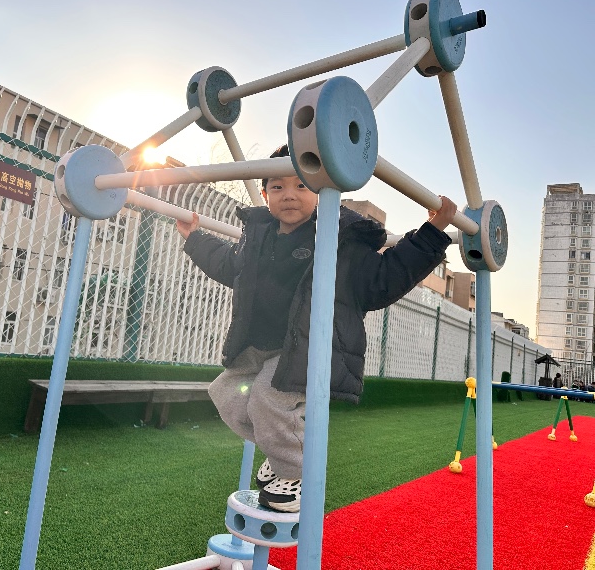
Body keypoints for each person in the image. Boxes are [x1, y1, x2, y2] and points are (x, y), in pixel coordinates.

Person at [175, 144, 456, 512]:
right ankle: (281, 452)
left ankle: (295, 472)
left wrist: (434, 231)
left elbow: (384, 278)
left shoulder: (340, 239)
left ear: (322, 193)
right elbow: (228, 264)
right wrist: (194, 239)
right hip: (259, 344)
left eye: (301, 185)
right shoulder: (258, 236)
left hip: (307, 349)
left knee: (267, 397)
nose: (289, 194)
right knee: (225, 393)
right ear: (265, 195)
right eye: (277, 187)